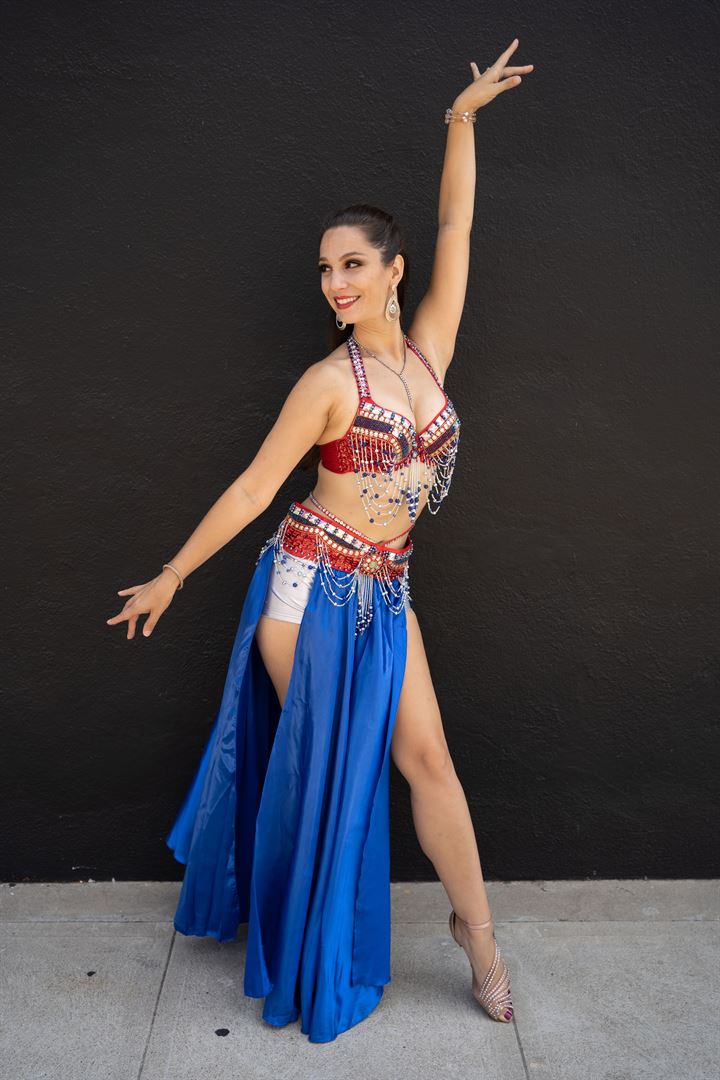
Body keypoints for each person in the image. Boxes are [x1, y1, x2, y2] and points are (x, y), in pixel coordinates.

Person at [106, 39, 534, 1044]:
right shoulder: (327, 383)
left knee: (429, 760)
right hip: (307, 591)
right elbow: (256, 487)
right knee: (336, 777)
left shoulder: (430, 350)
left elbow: (457, 224)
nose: (336, 283)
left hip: (388, 589)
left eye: (353, 265)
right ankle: (310, 946)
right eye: (325, 270)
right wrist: (173, 573)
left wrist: (460, 121)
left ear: (392, 272)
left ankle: (479, 940)